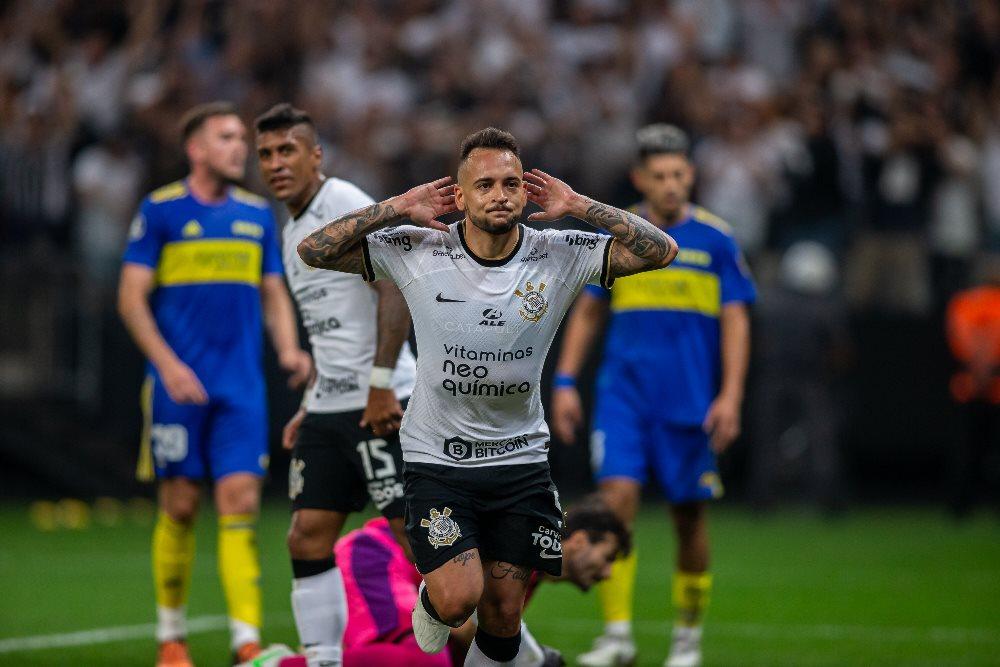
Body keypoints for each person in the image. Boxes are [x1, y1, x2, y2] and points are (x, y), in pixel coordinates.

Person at [296, 127, 677, 665]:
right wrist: (398, 207)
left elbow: (662, 251)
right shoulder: (419, 248)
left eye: (511, 183)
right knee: (458, 601)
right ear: (461, 193)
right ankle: (433, 602)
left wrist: (580, 206)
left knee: (503, 614)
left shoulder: (560, 253)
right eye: (485, 185)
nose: (500, 194)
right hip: (438, 459)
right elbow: (312, 249)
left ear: (526, 191)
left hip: (519, 462)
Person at [550, 125, 756, 667]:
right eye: (658, 175)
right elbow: (589, 309)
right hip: (623, 398)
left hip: (688, 403)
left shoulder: (717, 239)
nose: (670, 184)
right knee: (614, 509)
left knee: (689, 517)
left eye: (678, 174)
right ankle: (618, 636)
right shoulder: (622, 234)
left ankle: (686, 640)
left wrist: (730, 396)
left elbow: (736, 321)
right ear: (640, 178)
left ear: (691, 175)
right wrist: (566, 380)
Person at [118, 101, 312, 667]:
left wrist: (288, 349)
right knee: (179, 505)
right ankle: (171, 637)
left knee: (241, 502)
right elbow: (130, 298)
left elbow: (273, 290)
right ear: (196, 149)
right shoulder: (161, 211)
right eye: (226, 137)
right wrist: (168, 365)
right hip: (178, 388)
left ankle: (245, 639)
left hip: (241, 388)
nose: (240, 148)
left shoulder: (255, 216)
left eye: (240, 139)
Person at [254, 102, 418, 667]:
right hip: (330, 404)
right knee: (306, 535)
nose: (276, 164)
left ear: (315, 154)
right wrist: (309, 402)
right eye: (266, 155)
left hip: (383, 397)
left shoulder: (342, 202)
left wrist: (378, 384)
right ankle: (323, 659)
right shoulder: (291, 226)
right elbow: (330, 330)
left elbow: (394, 289)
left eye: (287, 150)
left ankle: (512, 651)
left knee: (417, 542)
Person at [323, 497, 631, 667]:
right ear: (578, 540)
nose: (607, 574)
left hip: (399, 572)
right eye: (608, 557)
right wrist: (531, 658)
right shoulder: (519, 549)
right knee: (425, 661)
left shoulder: (529, 571)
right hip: (378, 555)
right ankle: (284, 663)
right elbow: (463, 622)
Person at [945, 257, 1000, 517]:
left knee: (966, 449)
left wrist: (976, 374)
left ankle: (960, 507)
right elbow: (990, 340)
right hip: (994, 385)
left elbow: (965, 340)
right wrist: (986, 373)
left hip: (967, 385)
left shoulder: (962, 303)